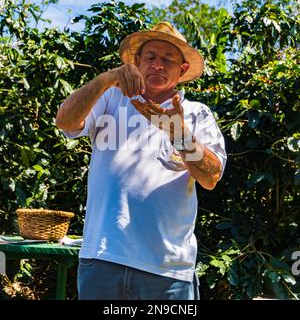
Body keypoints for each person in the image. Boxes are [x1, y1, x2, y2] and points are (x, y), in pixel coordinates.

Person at [55, 22, 227, 300]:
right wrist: (106, 79)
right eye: (150, 57)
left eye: (168, 59)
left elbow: (210, 177)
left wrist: (179, 134)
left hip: (167, 270)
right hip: (103, 258)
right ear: (136, 63)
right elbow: (65, 121)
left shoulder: (196, 114)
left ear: (182, 70)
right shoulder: (110, 99)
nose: (157, 65)